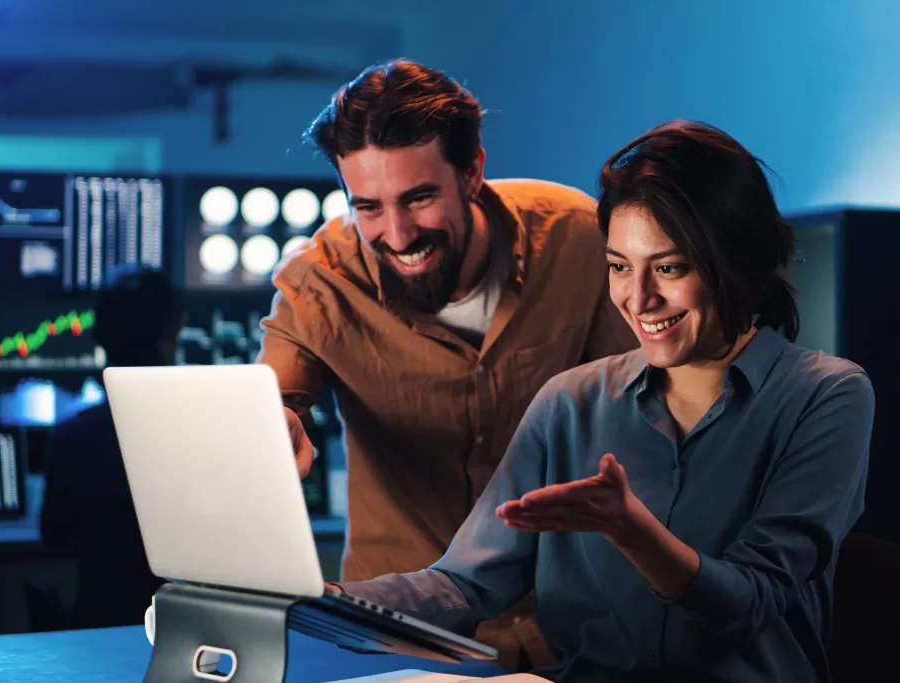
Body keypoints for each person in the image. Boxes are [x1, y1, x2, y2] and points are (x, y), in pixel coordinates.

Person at [334, 121, 875, 682]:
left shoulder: (826, 395)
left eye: (668, 268)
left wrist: (630, 529)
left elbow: (749, 602)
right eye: (619, 267)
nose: (637, 299)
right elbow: (467, 584)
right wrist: (319, 598)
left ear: (738, 260)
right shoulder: (570, 403)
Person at [257, 58, 637, 668]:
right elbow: (272, 398)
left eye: (419, 198)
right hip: (398, 635)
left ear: (473, 171)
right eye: (369, 207)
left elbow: (650, 401)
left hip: (574, 625)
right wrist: (275, 423)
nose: (398, 234)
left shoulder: (578, 239)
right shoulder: (321, 281)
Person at [41, 265, 185, 628]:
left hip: (98, 627)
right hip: (186, 632)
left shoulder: (72, 435)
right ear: (171, 334)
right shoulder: (204, 433)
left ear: (101, 338)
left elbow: (54, 534)